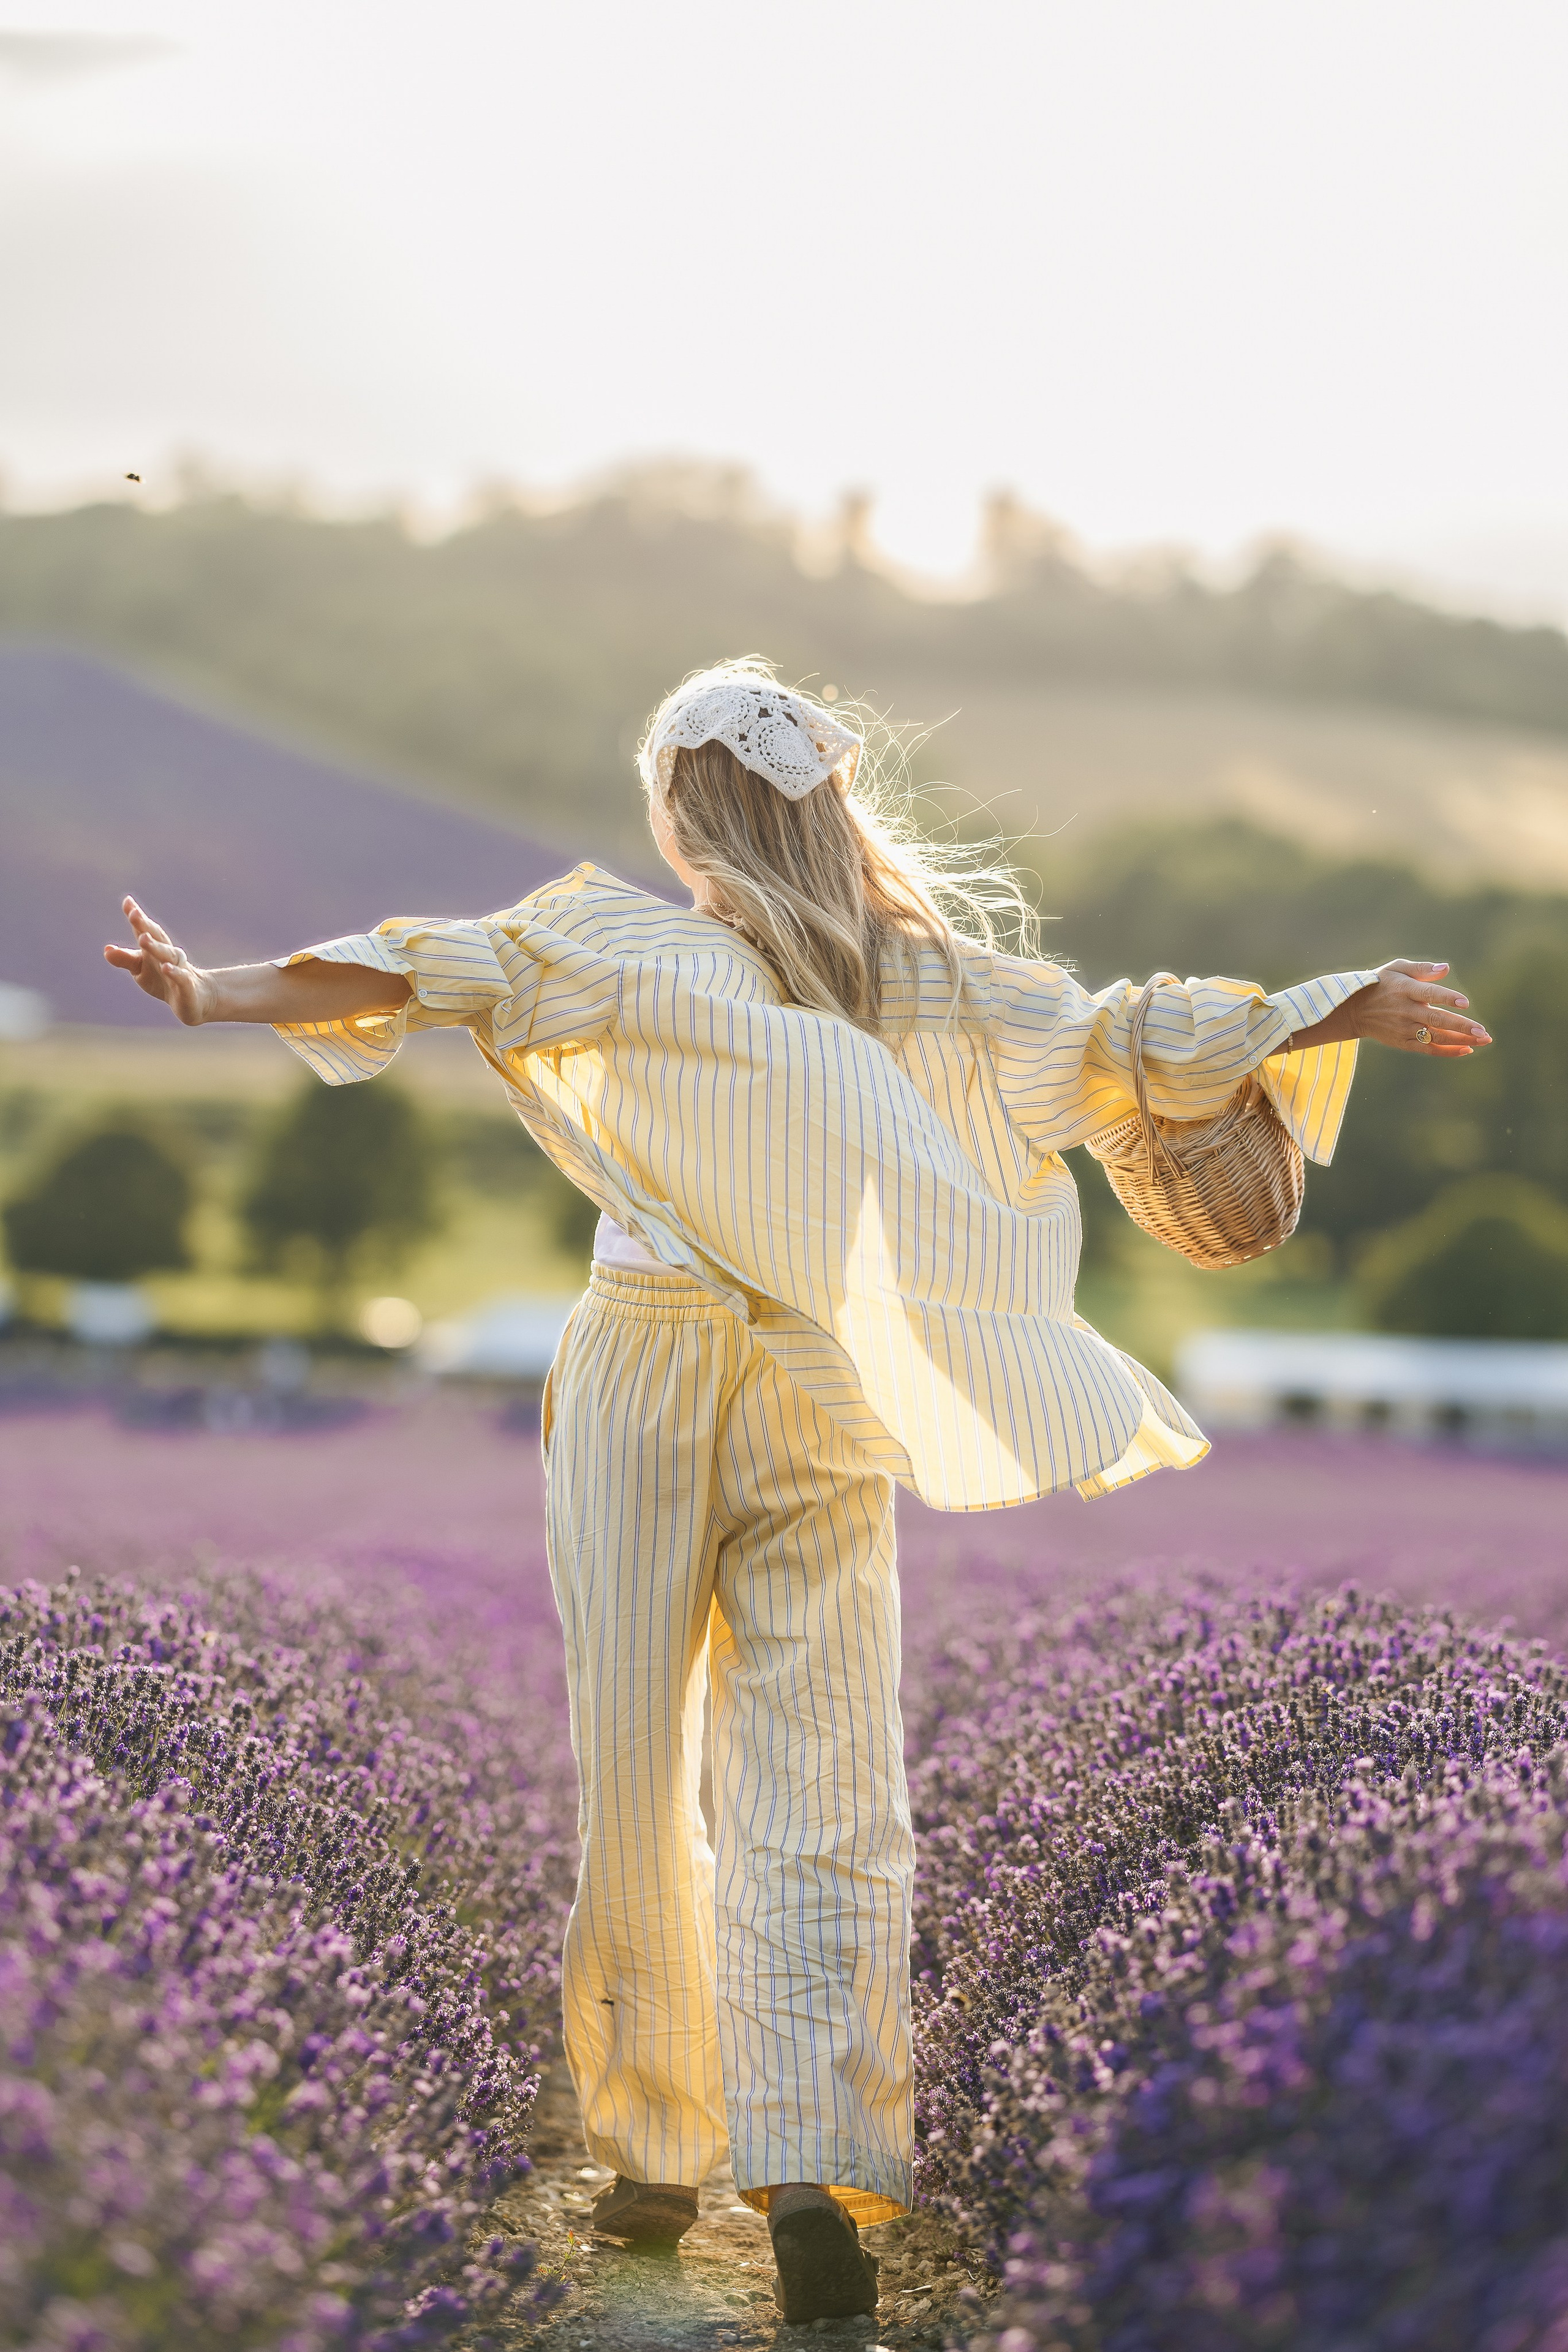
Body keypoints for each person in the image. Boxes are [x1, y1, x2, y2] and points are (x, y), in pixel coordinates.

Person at [105, 658, 1489, 2323]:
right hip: (827, 1387)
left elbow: (423, 967)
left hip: (642, 1367)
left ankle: (651, 2151)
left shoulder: (618, 945)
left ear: (684, 813)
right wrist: (1330, 1005)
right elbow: (1129, 1038)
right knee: (825, 1767)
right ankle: (814, 2162)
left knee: (634, 1755)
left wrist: (209, 992)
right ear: (829, 801)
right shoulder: (934, 983)